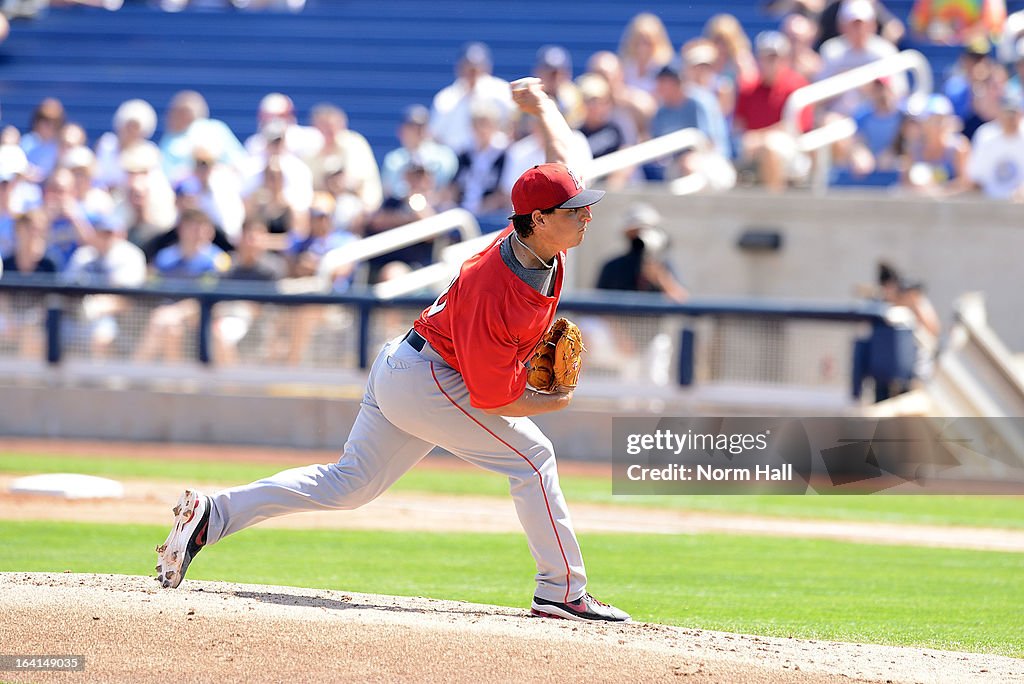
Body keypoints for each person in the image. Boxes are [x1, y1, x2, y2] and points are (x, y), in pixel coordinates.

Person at [154, 77, 631, 624]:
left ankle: (212, 516)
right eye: (575, 211)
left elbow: (563, 160)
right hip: (433, 380)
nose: (586, 215)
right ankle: (561, 590)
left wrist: (544, 106)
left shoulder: (540, 233)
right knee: (533, 457)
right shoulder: (495, 286)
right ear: (540, 219)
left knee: (349, 485)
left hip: (407, 366)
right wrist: (557, 398)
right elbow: (492, 396)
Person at [733, 31, 813, 192]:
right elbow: (738, 125)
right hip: (751, 148)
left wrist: (759, 138)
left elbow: (796, 127)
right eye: (766, 57)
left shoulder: (797, 84)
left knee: (771, 147)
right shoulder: (748, 88)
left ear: (785, 59)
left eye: (775, 57)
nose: (770, 62)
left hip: (791, 148)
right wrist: (752, 140)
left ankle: (775, 205)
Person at [61, 214, 147, 358]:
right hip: (76, 316)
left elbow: (127, 300)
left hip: (118, 322)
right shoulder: (84, 255)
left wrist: (95, 308)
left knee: (101, 336)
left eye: (110, 233)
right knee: (45, 331)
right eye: (102, 232)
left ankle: (101, 381)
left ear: (121, 233)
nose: (106, 237)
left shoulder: (130, 255)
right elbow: (66, 286)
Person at [429, 42, 513, 155]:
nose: (472, 72)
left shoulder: (502, 93)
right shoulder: (446, 99)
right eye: (468, 67)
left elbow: (513, 126)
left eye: (476, 67)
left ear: (487, 67)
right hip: (456, 162)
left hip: (495, 160)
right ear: (459, 68)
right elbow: (435, 136)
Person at [595, 202, 687, 302]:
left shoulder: (663, 265)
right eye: (636, 231)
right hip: (619, 317)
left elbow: (682, 301)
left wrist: (660, 278)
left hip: (655, 317)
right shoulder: (613, 266)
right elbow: (597, 304)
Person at [966, 91, 1024, 199]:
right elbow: (976, 178)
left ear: (1020, 113)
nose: (1010, 118)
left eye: (1013, 113)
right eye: (1007, 112)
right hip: (990, 204)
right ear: (999, 113)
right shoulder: (986, 135)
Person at [617, 12, 676, 95]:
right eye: (638, 41)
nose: (642, 46)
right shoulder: (624, 66)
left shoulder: (665, 68)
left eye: (647, 42)